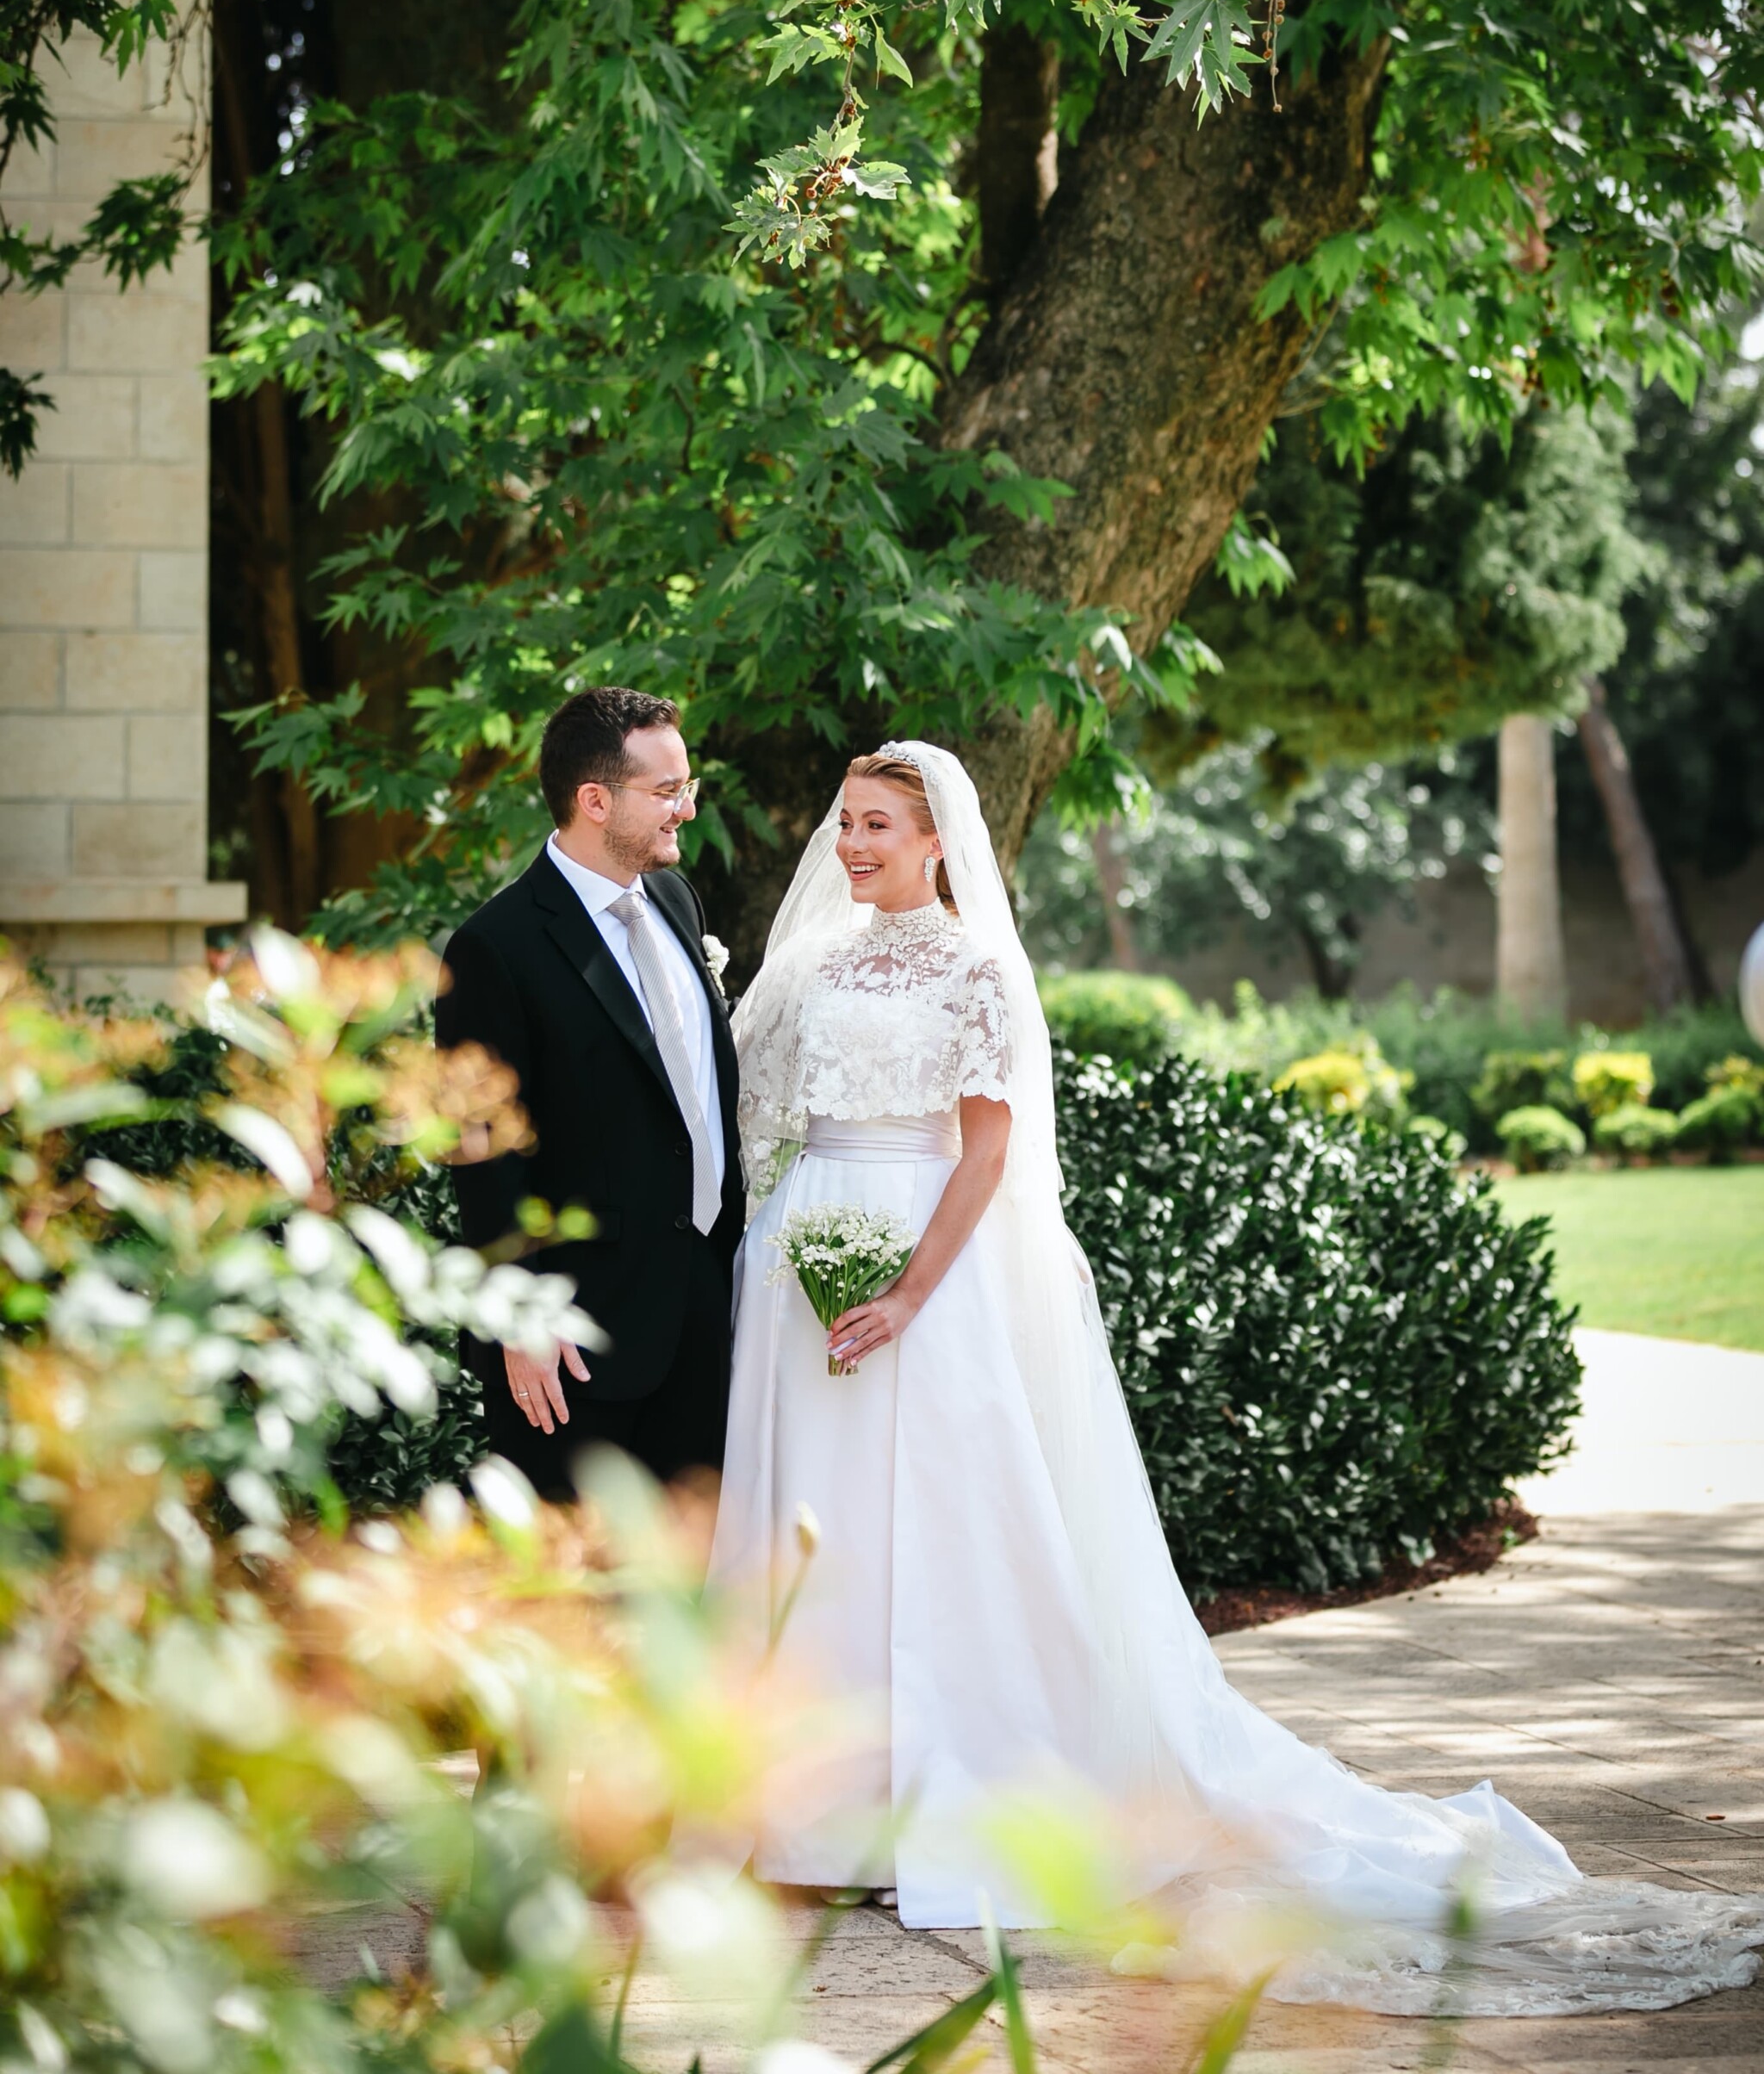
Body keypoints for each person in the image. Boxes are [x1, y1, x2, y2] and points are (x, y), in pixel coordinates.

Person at [711, 738, 1764, 2013]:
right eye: (849, 821)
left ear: (939, 842)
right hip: (807, 1259)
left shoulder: (981, 967)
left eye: (880, 823)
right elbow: (759, 1108)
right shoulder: (812, 964)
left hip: (935, 1269)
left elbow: (987, 1153)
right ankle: (819, 1820)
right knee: (820, 1535)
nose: (856, 842)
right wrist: (800, 1247)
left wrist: (909, 1292)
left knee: (947, 1535)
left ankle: (956, 1806)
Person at [437, 687, 742, 1494]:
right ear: (594, 801)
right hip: (573, 1339)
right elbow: (479, 1149)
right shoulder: (493, 949)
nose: (687, 809)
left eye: (689, 787)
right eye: (667, 791)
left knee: (682, 1592)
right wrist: (519, 1318)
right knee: (572, 1600)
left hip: (700, 1311)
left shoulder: (676, 900)